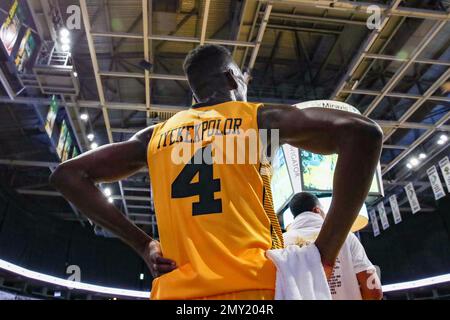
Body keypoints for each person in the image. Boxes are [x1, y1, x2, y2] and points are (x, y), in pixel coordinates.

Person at [50, 44, 383, 300]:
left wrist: (144, 245)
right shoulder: (258, 120)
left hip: (176, 293)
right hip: (256, 289)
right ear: (230, 78)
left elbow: (68, 175)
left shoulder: (156, 136)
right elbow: (364, 134)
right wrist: (325, 252)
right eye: (243, 77)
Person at [284, 192, 383, 300]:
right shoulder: (345, 236)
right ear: (317, 210)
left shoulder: (280, 242)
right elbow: (374, 292)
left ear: (294, 217)